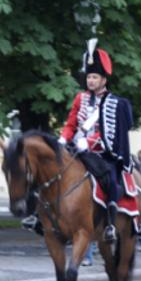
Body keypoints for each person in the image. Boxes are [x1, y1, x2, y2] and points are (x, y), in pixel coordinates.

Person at [58, 39, 134, 243]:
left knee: (111, 180)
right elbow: (71, 123)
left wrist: (90, 142)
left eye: (95, 77)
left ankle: (110, 225)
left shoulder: (114, 103)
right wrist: (63, 138)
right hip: (77, 149)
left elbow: (111, 133)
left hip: (102, 154)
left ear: (104, 80)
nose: (90, 81)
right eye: (89, 76)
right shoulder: (80, 98)